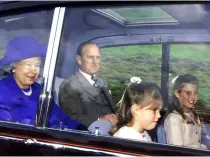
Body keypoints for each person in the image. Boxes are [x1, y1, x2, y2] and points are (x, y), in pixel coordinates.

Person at [0, 36, 81, 129]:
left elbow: (59, 116)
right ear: (14, 67)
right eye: (28, 65)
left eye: (37, 65)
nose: (34, 71)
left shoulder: (39, 89)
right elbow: (8, 129)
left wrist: (80, 129)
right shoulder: (2, 91)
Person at [59, 42, 117, 127]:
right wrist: (100, 119)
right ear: (79, 60)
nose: (95, 62)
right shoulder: (69, 85)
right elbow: (70, 117)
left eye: (97, 58)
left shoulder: (102, 82)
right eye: (90, 57)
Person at [164, 74, 207, 149]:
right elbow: (177, 152)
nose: (193, 97)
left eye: (195, 93)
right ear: (177, 93)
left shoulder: (193, 115)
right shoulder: (174, 119)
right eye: (188, 93)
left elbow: (196, 145)